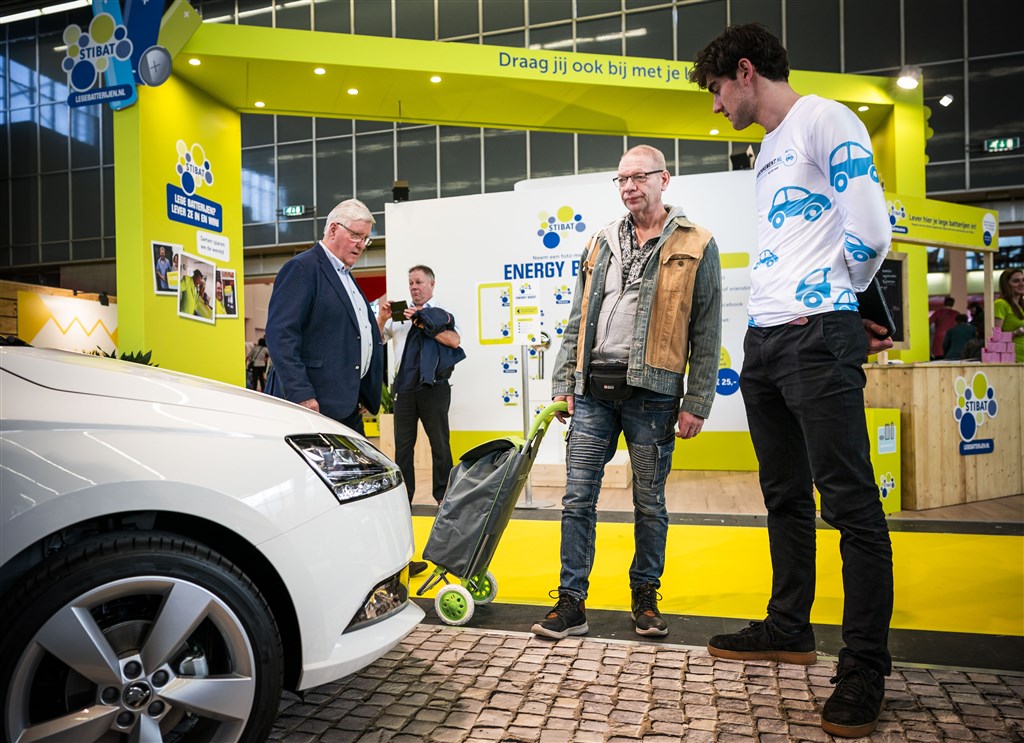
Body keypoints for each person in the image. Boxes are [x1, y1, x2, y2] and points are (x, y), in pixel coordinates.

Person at [689, 23, 894, 739]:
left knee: (850, 502)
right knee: (783, 494)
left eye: (718, 89)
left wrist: (839, 299)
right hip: (767, 339)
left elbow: (872, 230)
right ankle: (789, 626)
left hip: (815, 334)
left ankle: (864, 665)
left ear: (746, 71)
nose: (716, 105)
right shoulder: (769, 147)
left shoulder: (825, 119)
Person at [530, 144, 722, 642]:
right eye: (621, 179)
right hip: (593, 391)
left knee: (650, 502)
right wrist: (564, 384)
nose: (629, 187)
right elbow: (577, 318)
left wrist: (697, 401)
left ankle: (645, 598)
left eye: (639, 177)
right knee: (577, 498)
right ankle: (571, 602)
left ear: (664, 179)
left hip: (654, 395)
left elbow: (707, 329)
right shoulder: (600, 241)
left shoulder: (698, 243)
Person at [265, 199, 383, 434]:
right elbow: (281, 335)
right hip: (314, 406)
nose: (361, 245)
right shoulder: (303, 268)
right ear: (333, 229)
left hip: (346, 403)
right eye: (356, 236)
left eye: (365, 239)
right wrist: (301, 394)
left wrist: (360, 391)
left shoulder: (345, 276)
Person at [377, 266, 463, 505]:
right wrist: (382, 318)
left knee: (440, 444)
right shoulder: (399, 315)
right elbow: (377, 340)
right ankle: (404, 498)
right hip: (404, 389)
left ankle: (444, 497)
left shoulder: (442, 313)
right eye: (411, 283)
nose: (414, 287)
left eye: (419, 282)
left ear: (431, 284)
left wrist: (423, 322)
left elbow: (454, 341)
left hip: (434, 387)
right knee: (403, 447)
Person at [993, 268, 1024, 362]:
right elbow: (995, 338)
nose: (1022, 284)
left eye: (1023, 280)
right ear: (1006, 285)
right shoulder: (1000, 304)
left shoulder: (1021, 305)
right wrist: (1016, 332)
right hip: (1012, 361)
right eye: (1016, 281)